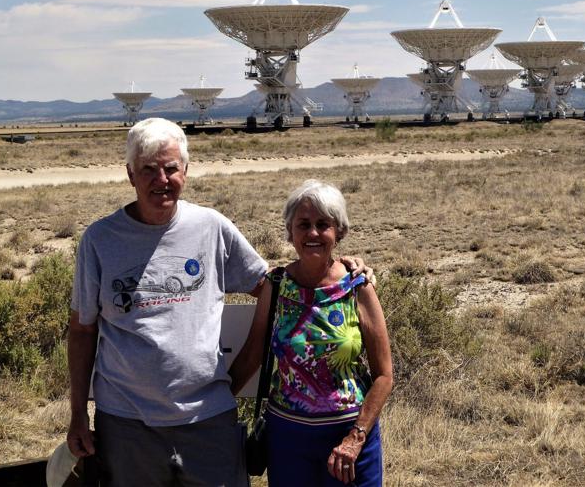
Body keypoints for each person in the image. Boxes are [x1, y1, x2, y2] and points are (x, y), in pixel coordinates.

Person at [67, 118, 370, 487]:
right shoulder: (99, 240)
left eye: (170, 168)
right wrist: (78, 414)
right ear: (130, 174)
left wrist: (338, 269)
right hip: (128, 423)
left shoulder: (211, 227)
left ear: (186, 171)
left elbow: (273, 289)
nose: (161, 180)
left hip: (208, 420)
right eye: (148, 169)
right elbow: (82, 331)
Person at [230, 180, 393, 487]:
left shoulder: (358, 287)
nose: (313, 233)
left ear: (339, 232)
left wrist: (356, 438)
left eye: (323, 224)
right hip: (288, 439)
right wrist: (215, 409)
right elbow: (252, 356)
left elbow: (384, 375)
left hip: (348, 440)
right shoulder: (276, 286)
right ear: (290, 232)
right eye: (303, 224)